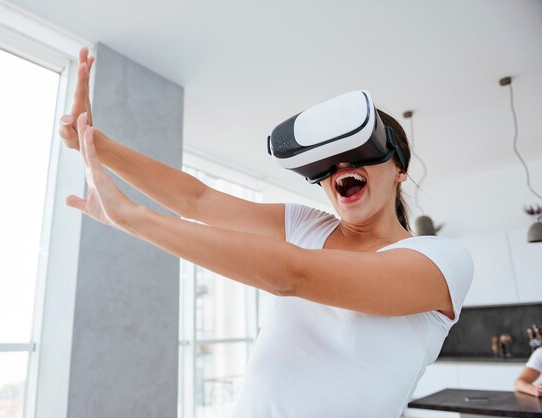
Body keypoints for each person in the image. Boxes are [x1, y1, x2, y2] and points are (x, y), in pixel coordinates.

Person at [59, 48, 474, 418]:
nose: (340, 170)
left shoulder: (443, 262)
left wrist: (135, 218)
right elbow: (197, 200)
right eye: (326, 163)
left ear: (399, 169)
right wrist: (94, 144)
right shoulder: (305, 225)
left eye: (358, 154)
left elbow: (293, 275)